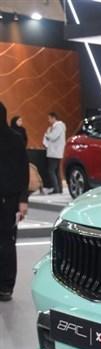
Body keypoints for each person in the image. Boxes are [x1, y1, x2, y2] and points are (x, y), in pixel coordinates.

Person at [0, 101, 30, 302]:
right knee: (7, 241)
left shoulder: (14, 139)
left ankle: (5, 285)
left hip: (8, 199)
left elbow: (22, 170)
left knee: (7, 242)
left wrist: (23, 199)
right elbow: (23, 171)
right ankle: (5, 285)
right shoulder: (16, 138)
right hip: (10, 199)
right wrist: (22, 199)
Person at [42, 111, 66, 194]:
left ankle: (56, 189)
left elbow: (53, 137)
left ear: (53, 118)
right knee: (56, 171)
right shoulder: (55, 127)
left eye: (49, 118)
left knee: (51, 171)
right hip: (56, 152)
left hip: (55, 152)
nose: (48, 120)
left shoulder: (58, 126)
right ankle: (59, 189)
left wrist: (46, 134)